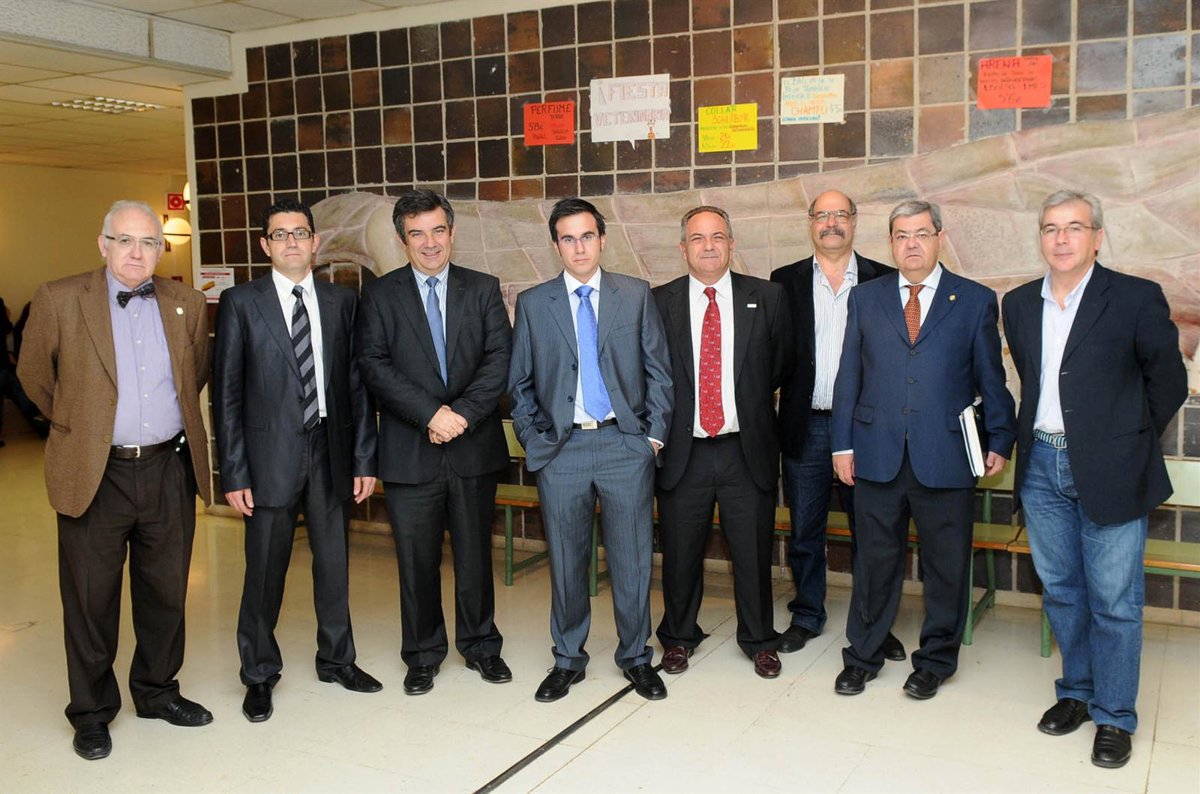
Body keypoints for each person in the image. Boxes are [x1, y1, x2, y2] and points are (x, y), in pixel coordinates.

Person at [18, 200, 213, 760]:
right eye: (124, 240)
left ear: (160, 250)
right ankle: (91, 712)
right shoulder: (59, 298)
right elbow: (34, 376)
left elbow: (194, 375)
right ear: (103, 244)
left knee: (166, 593)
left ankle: (157, 691)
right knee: (90, 599)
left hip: (167, 467)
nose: (136, 252)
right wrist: (81, 427)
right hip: (94, 471)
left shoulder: (186, 303)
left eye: (149, 242)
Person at [1001, 190, 1187, 769]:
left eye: (1074, 227)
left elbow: (1168, 382)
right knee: (1062, 590)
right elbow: (1033, 381)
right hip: (1041, 467)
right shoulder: (1019, 303)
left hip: (1112, 468)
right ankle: (1077, 693)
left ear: (1097, 237)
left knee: (1114, 601)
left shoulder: (1134, 297)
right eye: (1050, 228)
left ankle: (1115, 715)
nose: (1061, 238)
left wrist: (1125, 439)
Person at [831, 199, 1016, 699]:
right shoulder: (865, 299)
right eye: (901, 236)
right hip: (876, 453)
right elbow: (849, 375)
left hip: (947, 455)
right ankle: (862, 656)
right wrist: (841, 444)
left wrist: (1001, 437)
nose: (911, 244)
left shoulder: (974, 300)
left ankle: (935, 662)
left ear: (939, 238)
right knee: (874, 563)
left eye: (920, 234)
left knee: (946, 567)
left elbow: (991, 376)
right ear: (890, 243)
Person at [212, 198, 380, 725]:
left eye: (300, 233)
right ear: (265, 245)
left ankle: (337, 660)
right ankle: (259, 673)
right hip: (268, 458)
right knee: (265, 569)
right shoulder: (241, 302)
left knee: (334, 564)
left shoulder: (341, 301)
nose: (291, 242)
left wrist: (364, 459)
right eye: (280, 234)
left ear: (315, 242)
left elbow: (356, 386)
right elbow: (227, 395)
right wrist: (234, 470)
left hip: (331, 450)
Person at [508, 197, 673, 703]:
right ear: (556, 245)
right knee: (566, 560)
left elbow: (659, 372)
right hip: (563, 450)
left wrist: (651, 438)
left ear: (602, 240)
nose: (578, 247)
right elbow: (520, 384)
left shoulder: (635, 294)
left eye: (587, 236)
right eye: (568, 238)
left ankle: (636, 657)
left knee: (632, 559)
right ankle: (567, 659)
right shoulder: (534, 303)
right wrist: (536, 440)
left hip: (624, 445)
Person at [356, 190, 512, 696]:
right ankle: (422, 654)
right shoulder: (379, 295)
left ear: (452, 232)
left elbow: (499, 358)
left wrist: (460, 415)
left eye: (438, 230)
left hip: (472, 446)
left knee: (475, 558)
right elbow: (373, 364)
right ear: (402, 240)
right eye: (417, 233)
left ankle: (481, 646)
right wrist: (430, 414)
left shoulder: (483, 288)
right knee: (416, 561)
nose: (429, 243)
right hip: (410, 450)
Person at [653, 206, 792, 679]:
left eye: (717, 237)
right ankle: (678, 636)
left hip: (744, 448)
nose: (708, 246)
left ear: (732, 244)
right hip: (684, 450)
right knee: (680, 552)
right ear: (683, 248)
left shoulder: (767, 297)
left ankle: (759, 639)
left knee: (752, 552)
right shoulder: (659, 302)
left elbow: (780, 366)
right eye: (697, 238)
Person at [769, 190, 901, 658]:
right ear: (810, 222)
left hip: (866, 429)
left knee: (872, 531)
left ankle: (874, 621)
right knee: (805, 530)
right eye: (822, 215)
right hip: (805, 425)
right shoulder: (783, 281)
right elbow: (773, 353)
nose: (831, 222)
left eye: (840, 214)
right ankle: (807, 614)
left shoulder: (884, 279)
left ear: (854, 221)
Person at [0, 295, 50, 446]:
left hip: (6, 365)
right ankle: (43, 426)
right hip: (4, 365)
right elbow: (5, 327)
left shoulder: (22, 328)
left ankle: (43, 425)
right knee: (21, 394)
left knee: (18, 393)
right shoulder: (25, 329)